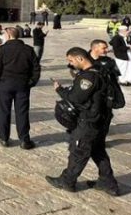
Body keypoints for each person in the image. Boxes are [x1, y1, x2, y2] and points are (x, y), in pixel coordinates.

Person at [47, 47, 119, 196]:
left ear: (80, 59)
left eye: (71, 60)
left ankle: (67, 180)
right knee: (97, 149)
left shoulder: (88, 77)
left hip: (89, 120)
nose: (71, 64)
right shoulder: (100, 71)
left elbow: (76, 98)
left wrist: (60, 90)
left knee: (79, 150)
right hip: (101, 118)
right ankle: (108, 182)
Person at [0, 27, 40, 149]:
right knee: (22, 112)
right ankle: (24, 140)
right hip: (22, 85)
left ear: (8, 35)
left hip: (5, 84)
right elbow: (36, 68)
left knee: (3, 112)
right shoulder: (28, 50)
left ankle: (4, 138)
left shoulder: (2, 50)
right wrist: (32, 82)